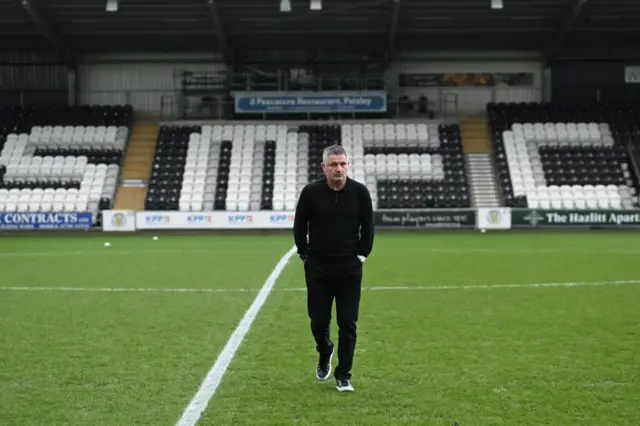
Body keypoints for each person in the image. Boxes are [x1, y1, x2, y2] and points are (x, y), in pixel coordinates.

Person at [293, 144, 375, 392]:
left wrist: (362, 253)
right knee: (318, 320)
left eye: (342, 164)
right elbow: (299, 225)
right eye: (333, 164)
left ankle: (343, 374)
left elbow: (368, 226)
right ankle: (324, 349)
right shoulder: (310, 192)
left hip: (349, 267)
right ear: (324, 167)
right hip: (318, 266)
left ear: (348, 165)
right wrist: (305, 253)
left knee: (348, 322)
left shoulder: (360, 192)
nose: (338, 169)